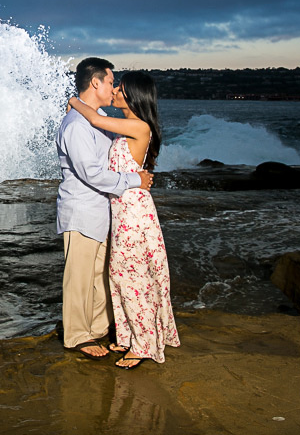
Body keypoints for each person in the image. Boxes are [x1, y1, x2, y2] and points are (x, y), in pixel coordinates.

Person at [68, 70, 180, 369]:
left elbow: (95, 120)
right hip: (122, 209)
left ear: (134, 95)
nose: (115, 90)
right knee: (121, 275)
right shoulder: (127, 127)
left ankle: (143, 346)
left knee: (132, 277)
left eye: (121, 87)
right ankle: (131, 335)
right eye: (114, 84)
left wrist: (73, 101)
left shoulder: (139, 126)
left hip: (133, 210)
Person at [56, 58, 154, 360]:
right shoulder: (76, 125)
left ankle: (96, 328)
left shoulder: (94, 119)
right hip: (82, 210)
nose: (113, 89)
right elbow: (92, 174)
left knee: (99, 275)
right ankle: (77, 336)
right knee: (79, 277)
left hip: (102, 211)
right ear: (95, 82)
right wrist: (134, 180)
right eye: (111, 82)